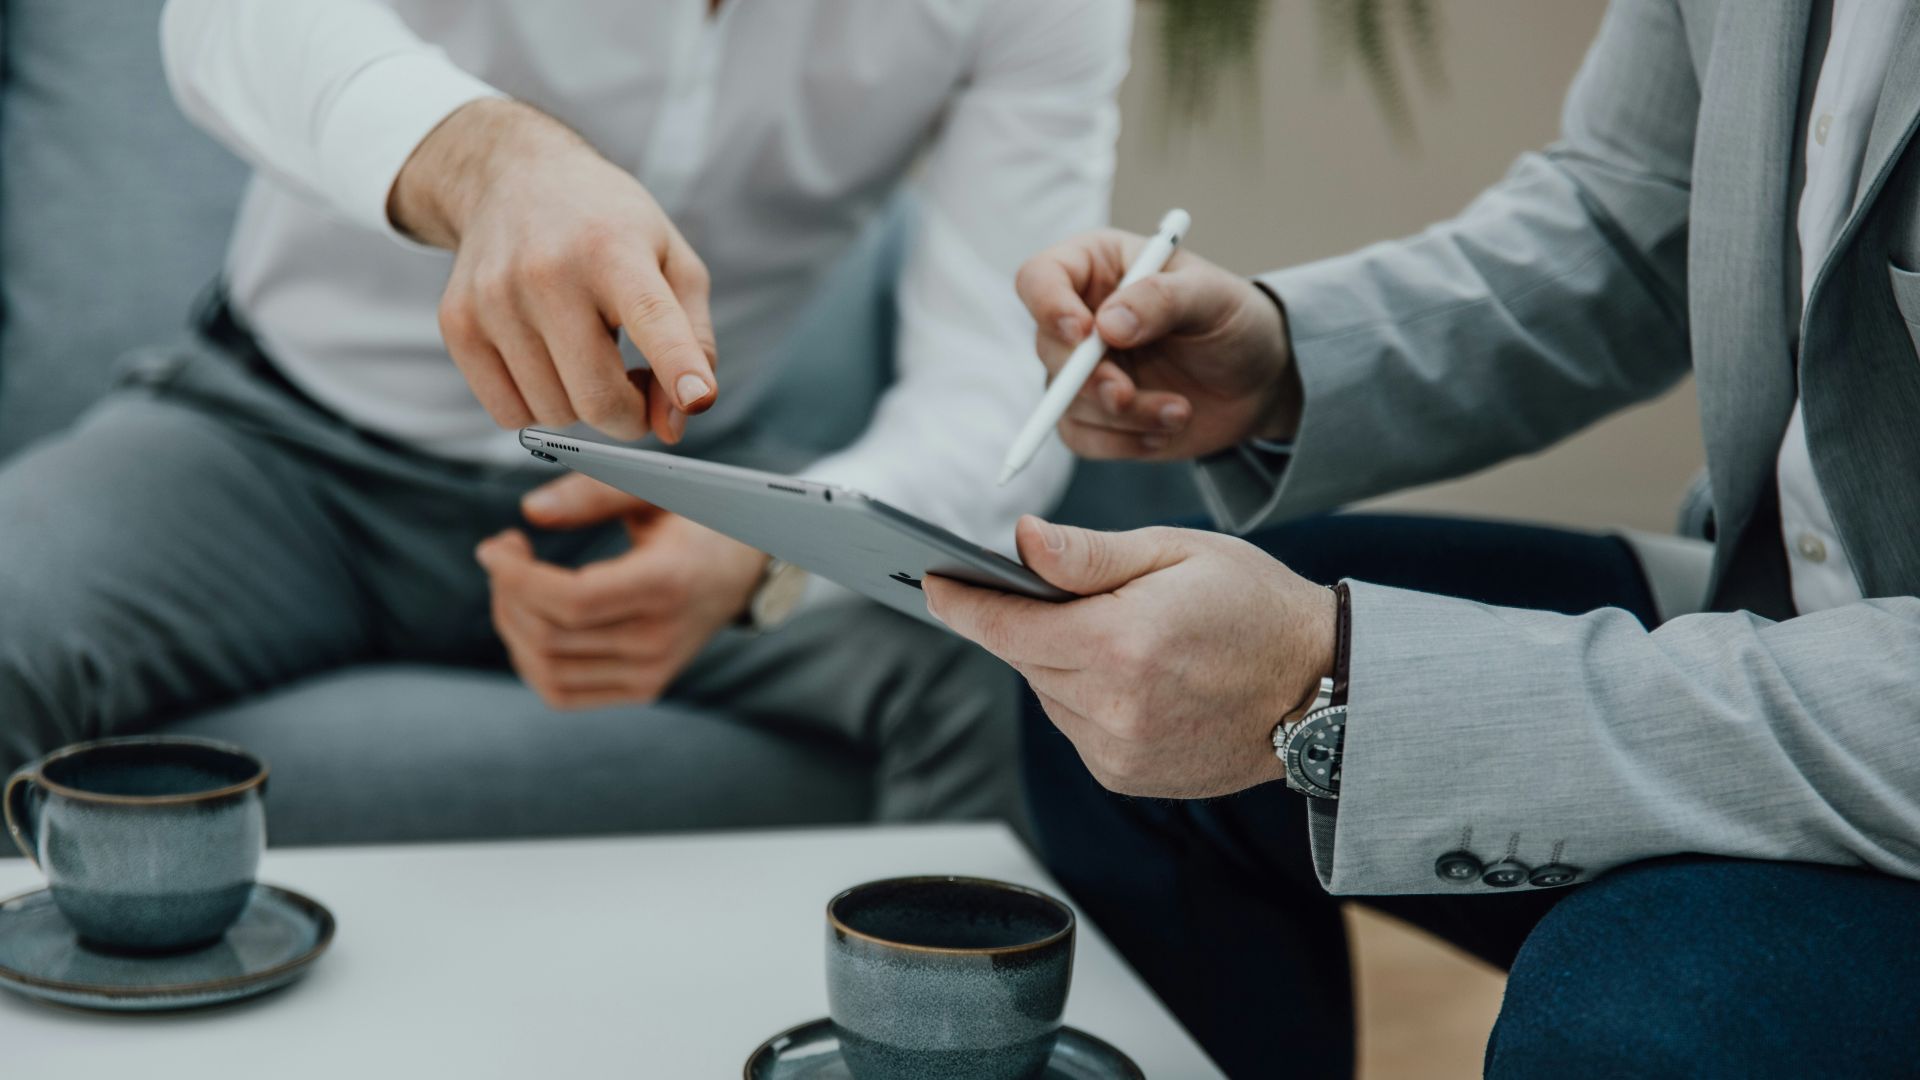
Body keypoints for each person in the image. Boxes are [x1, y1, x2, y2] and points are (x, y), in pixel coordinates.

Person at [925, 1, 1920, 1075]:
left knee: (1626, 1019)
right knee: (1112, 702)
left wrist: (1340, 687)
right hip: (1771, 607)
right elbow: (1630, 214)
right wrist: (1283, 360)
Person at [0, 0, 1130, 828]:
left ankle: (933, 1043)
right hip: (276, 456)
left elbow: (1002, 383)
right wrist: (488, 160)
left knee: (1000, 649)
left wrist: (764, 557)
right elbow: (232, 22)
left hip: (681, 490)